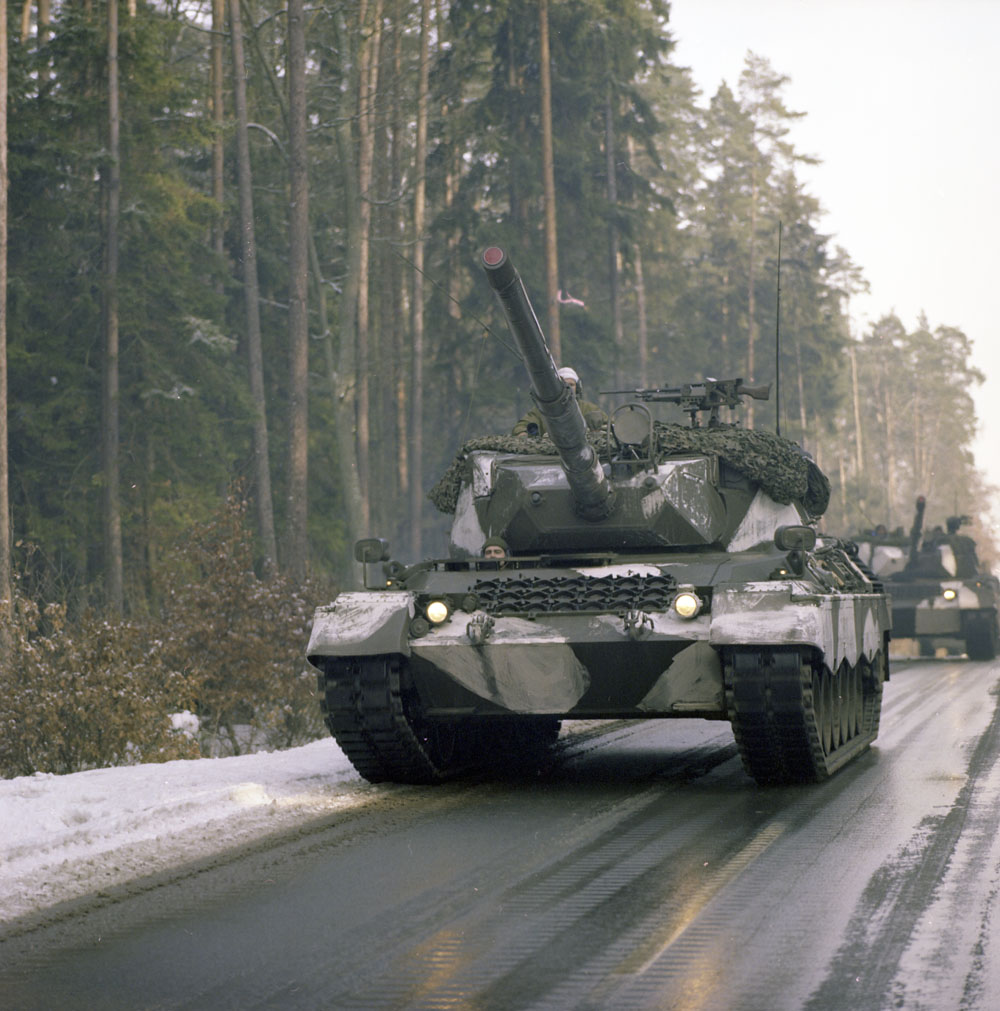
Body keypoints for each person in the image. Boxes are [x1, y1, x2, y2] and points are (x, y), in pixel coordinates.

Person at [511, 366, 608, 437]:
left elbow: (611, 426)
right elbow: (521, 427)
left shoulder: (589, 409)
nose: (568, 387)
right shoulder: (541, 411)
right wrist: (523, 433)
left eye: (571, 384)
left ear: (577, 388)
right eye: (564, 384)